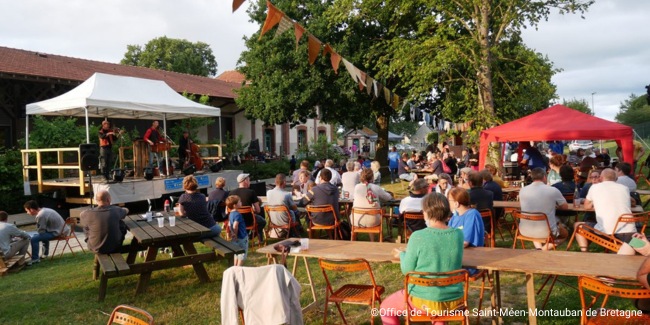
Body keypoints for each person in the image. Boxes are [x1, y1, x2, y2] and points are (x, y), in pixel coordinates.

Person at [380, 192, 464, 325]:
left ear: (426, 212)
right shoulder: (458, 234)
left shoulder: (418, 236)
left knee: (386, 309)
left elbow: (407, 270)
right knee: (437, 311)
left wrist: (402, 255)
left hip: (423, 300)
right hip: (453, 300)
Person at [573, 168, 637, 249]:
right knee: (638, 244)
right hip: (630, 233)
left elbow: (587, 206)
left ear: (601, 178)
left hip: (607, 233)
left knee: (577, 225)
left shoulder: (595, 187)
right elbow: (634, 202)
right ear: (616, 179)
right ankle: (636, 246)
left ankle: (585, 252)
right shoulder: (624, 188)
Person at [518, 168, 569, 250]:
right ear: (545, 177)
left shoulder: (522, 190)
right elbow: (565, 207)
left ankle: (539, 249)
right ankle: (543, 250)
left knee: (535, 218)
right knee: (564, 234)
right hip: (546, 231)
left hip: (524, 229)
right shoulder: (553, 190)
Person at [447, 187, 484, 275]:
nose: (448, 203)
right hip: (455, 257)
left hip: (469, 262)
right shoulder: (455, 216)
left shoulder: (472, 215)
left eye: (449, 200)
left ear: (456, 203)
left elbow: (464, 242)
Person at [352, 169, 392, 241]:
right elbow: (388, 198)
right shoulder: (376, 187)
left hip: (357, 220)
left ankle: (355, 238)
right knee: (371, 214)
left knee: (367, 213)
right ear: (372, 177)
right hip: (373, 220)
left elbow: (352, 198)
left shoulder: (357, 187)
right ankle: (372, 240)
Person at [230, 173, 267, 245]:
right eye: (249, 180)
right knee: (263, 222)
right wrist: (252, 212)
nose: (249, 181)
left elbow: (227, 210)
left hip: (234, 220)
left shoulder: (231, 193)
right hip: (248, 220)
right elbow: (258, 210)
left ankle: (246, 235)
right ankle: (251, 235)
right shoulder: (251, 192)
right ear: (245, 181)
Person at [225, 195, 248, 266]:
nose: (241, 203)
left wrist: (233, 233)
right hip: (241, 237)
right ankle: (238, 268)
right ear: (234, 205)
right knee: (242, 253)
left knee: (236, 253)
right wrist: (236, 236)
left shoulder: (231, 213)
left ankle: (234, 266)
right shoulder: (238, 214)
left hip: (235, 237)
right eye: (239, 202)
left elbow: (229, 224)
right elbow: (235, 225)